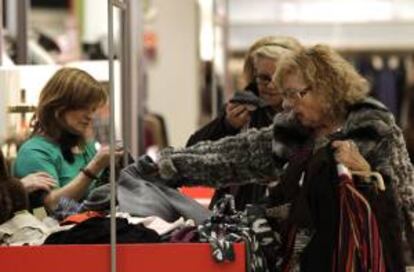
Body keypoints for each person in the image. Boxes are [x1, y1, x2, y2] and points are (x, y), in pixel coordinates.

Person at [144, 44, 413, 271]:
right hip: (299, 260)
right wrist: (169, 165)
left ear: (326, 86)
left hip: (359, 259)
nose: (287, 105)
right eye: (284, 96)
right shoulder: (294, 130)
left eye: (294, 94)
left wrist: (363, 172)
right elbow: (236, 154)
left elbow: (403, 200)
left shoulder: (374, 129)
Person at [187, 36, 303, 210]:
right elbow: (193, 154)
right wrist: (226, 126)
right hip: (239, 214)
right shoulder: (241, 108)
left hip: (292, 214)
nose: (271, 85)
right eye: (263, 78)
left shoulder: (308, 113)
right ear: (254, 76)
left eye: (278, 77)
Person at [14, 67, 123, 211]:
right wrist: (94, 168)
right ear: (59, 106)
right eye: (84, 107)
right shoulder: (34, 152)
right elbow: (54, 206)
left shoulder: (84, 145)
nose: (90, 116)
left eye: (92, 109)